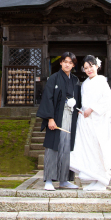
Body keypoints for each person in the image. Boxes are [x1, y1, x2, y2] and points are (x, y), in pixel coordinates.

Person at [70, 55, 111, 191]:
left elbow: (108, 99)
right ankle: (96, 178)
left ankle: (103, 179)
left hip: (98, 121)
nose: (89, 70)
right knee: (88, 149)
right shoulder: (85, 83)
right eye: (86, 68)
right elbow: (84, 101)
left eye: (91, 66)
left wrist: (92, 109)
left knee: (99, 148)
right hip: (86, 121)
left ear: (97, 66)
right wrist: (82, 110)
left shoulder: (101, 81)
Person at [36, 52, 81, 191]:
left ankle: (64, 180)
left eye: (70, 62)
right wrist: (50, 118)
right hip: (56, 117)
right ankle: (49, 179)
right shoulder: (53, 78)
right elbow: (48, 98)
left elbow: (79, 98)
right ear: (61, 62)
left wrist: (78, 107)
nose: (67, 64)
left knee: (67, 148)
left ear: (73, 65)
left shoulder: (75, 80)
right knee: (52, 148)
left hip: (71, 116)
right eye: (65, 61)